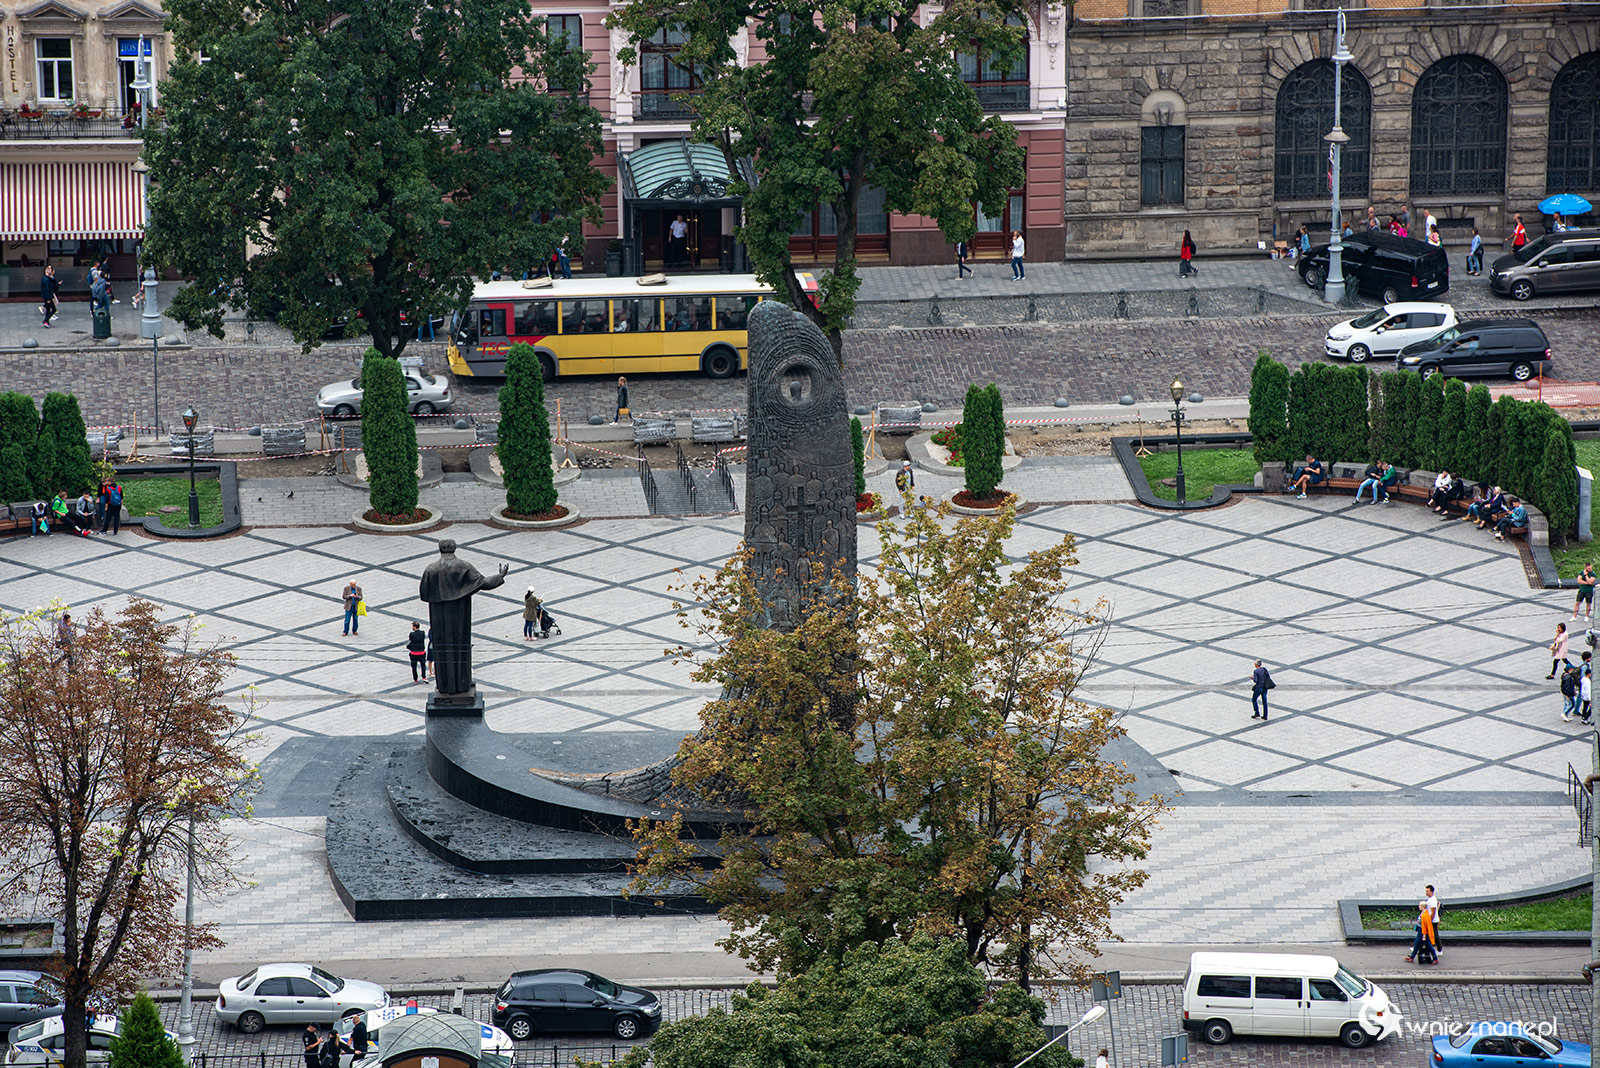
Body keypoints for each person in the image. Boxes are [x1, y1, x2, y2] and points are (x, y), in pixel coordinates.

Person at [1404, 897, 1438, 964]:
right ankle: (1411, 958)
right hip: (1420, 931)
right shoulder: (1423, 913)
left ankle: (1435, 958)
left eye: (1419, 905)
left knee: (1428, 946)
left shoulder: (1425, 915)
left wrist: (1424, 935)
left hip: (1423, 932)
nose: (1418, 907)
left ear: (1422, 906)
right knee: (1416, 944)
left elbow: (1425, 926)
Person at [40, 263, 59, 328]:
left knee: (48, 309)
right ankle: (46, 320)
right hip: (48, 296)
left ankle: (47, 322)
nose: (52, 271)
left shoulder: (47, 279)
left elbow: (51, 287)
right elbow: (46, 289)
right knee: (53, 309)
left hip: (48, 296)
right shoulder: (45, 279)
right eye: (50, 269)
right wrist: (48, 298)